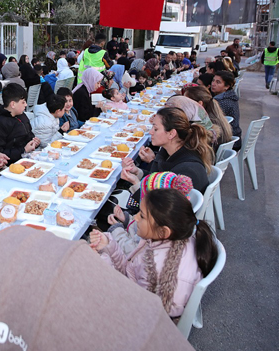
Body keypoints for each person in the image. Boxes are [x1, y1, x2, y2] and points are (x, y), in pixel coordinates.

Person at [89, 188, 218, 319]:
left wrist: (102, 261)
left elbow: (129, 301)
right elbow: (131, 271)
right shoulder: (171, 240)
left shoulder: (158, 272)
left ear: (163, 231)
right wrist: (108, 246)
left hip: (138, 320)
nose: (135, 217)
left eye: (142, 216)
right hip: (136, 299)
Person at [122, 107, 212, 194]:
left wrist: (136, 183)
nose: (151, 132)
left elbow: (159, 206)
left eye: (156, 129)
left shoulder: (184, 172)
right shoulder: (172, 153)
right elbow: (156, 181)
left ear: (171, 134)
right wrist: (137, 172)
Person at [105, 172, 194, 255]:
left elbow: (125, 248)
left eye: (142, 214)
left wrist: (117, 228)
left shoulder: (146, 240)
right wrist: (126, 219)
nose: (136, 217)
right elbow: (138, 224)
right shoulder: (162, 223)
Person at [0, 84, 40, 163]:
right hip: (11, 164)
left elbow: (29, 135)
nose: (26, 105)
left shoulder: (21, 115)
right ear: (13, 104)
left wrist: (34, 142)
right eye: (23, 102)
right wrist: (24, 150)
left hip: (27, 158)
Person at [211, 71, 242, 149]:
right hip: (233, 137)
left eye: (218, 82)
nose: (213, 84)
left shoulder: (222, 101)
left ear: (226, 86)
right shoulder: (230, 96)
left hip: (228, 142)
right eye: (213, 80)